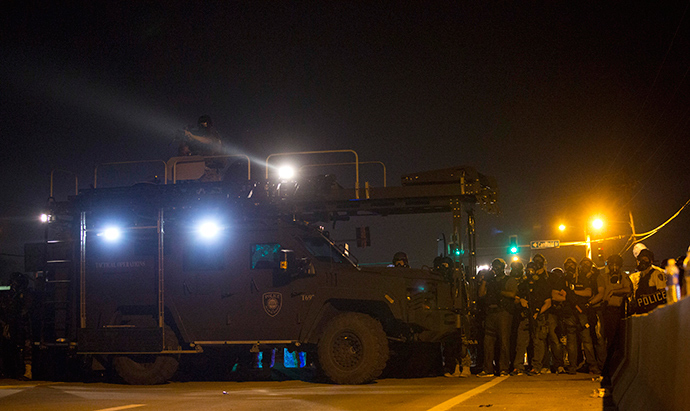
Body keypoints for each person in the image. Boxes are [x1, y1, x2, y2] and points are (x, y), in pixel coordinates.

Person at [553, 258, 599, 374]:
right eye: (567, 264)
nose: (570, 266)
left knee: (586, 340)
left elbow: (589, 292)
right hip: (569, 313)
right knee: (571, 341)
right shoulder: (562, 280)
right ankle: (572, 366)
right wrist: (568, 298)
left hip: (581, 312)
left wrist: (572, 293)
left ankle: (592, 365)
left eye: (571, 264)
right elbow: (554, 295)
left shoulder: (582, 278)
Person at [477, 258, 517, 377]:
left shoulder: (509, 280)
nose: (496, 268)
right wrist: (484, 281)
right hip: (491, 313)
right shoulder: (491, 281)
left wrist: (498, 291)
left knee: (504, 341)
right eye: (494, 266)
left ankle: (504, 368)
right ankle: (488, 368)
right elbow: (481, 294)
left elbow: (512, 294)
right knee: (488, 342)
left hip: (503, 312)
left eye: (498, 266)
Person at [629, 248, 666, 314]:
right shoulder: (639, 276)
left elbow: (662, 292)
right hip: (642, 311)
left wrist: (648, 297)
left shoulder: (656, 273)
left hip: (654, 311)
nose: (643, 261)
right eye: (641, 259)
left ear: (651, 261)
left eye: (645, 259)